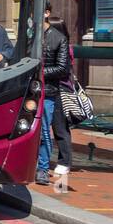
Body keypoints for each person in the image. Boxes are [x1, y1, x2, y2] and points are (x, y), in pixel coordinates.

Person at [37, 13, 73, 185]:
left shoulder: (58, 38)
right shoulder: (29, 34)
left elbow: (62, 69)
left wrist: (38, 73)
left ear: (46, 13)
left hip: (48, 91)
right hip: (28, 90)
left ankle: (42, 169)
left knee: (45, 131)